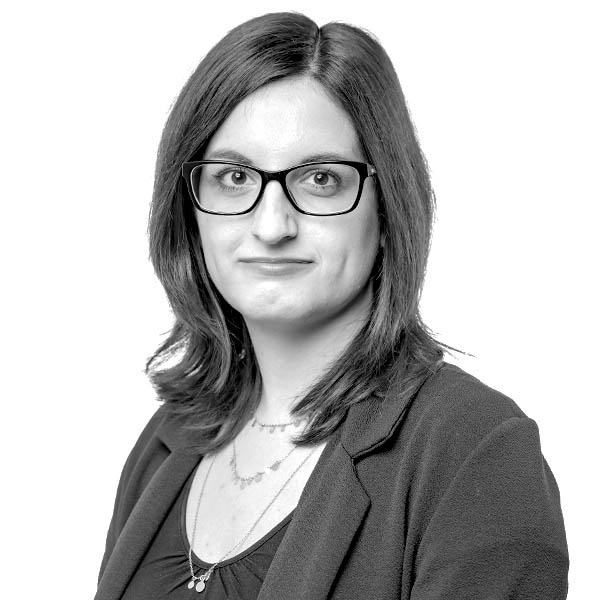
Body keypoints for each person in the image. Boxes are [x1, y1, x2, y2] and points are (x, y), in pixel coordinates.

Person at [95, 12, 569, 600]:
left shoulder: (473, 451)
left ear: (388, 206)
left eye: (320, 179)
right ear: (189, 209)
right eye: (234, 177)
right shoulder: (168, 441)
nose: (271, 226)